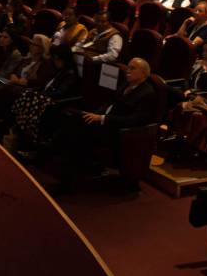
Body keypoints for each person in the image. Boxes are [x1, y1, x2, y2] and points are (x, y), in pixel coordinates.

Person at [48, 57, 158, 194]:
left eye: (132, 68)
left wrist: (102, 118)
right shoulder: (125, 84)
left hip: (118, 132)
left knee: (75, 136)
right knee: (68, 117)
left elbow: (134, 120)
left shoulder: (147, 94)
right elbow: (110, 103)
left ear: (144, 73)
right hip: (102, 123)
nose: (127, 71)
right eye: (128, 67)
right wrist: (95, 115)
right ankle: (53, 157)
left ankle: (66, 181)